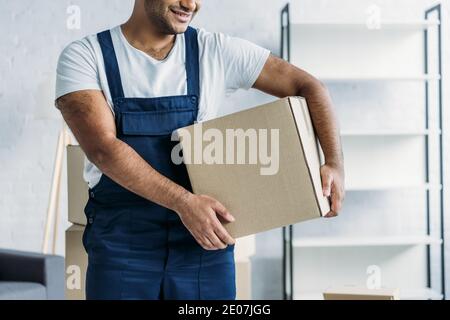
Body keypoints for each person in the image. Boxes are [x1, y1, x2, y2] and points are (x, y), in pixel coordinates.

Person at [55, 0, 345, 300]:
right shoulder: (85, 56)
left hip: (205, 247)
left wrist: (334, 162)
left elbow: (309, 86)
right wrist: (183, 203)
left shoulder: (215, 50)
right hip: (123, 248)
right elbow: (103, 149)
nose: (190, 4)